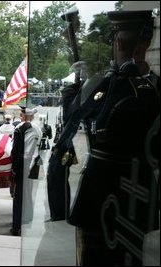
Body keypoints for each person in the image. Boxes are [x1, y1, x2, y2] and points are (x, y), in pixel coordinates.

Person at [56, 10, 159, 265]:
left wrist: (78, 86)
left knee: (98, 255)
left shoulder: (110, 83)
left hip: (103, 186)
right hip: (135, 188)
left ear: (118, 42)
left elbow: (77, 119)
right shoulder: (149, 86)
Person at [11, 108, 42, 236]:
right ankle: (26, 219)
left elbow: (16, 150)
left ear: (24, 115)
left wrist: (14, 169)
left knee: (20, 195)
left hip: (24, 164)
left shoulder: (20, 128)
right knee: (27, 193)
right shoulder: (37, 129)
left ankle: (19, 224)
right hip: (29, 164)